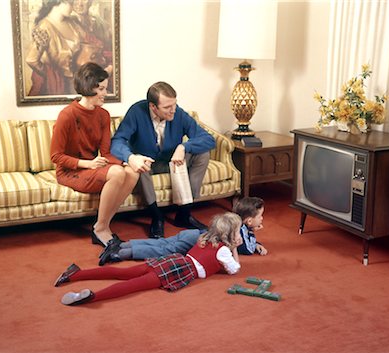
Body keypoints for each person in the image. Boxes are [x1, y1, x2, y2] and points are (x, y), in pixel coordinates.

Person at [54, 212, 242, 306]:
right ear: (231, 234)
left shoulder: (204, 238)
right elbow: (234, 269)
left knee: (124, 273)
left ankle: (76, 274)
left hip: (172, 260)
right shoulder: (224, 251)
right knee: (132, 285)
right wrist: (235, 248)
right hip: (177, 270)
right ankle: (94, 297)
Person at [50, 62, 140, 247]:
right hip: (70, 171)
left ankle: (102, 226)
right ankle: (100, 230)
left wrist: (128, 162)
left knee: (132, 172)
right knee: (116, 173)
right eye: (101, 89)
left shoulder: (103, 115)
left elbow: (106, 152)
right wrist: (88, 164)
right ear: (88, 87)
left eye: (105, 88)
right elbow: (56, 156)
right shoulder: (66, 115)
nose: (105, 94)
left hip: (94, 167)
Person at [110, 81, 216, 239]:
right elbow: (117, 142)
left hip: (172, 161)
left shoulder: (177, 113)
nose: (173, 110)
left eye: (174, 104)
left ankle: (184, 213)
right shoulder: (136, 112)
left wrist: (183, 147)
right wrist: (131, 157)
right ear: (153, 106)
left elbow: (208, 139)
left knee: (203, 153)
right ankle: (156, 216)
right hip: (147, 163)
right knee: (137, 165)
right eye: (167, 107)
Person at [98, 197, 267, 265]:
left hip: (193, 233)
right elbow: (246, 249)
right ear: (249, 221)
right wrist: (253, 237)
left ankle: (119, 245)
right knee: (163, 250)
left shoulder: (233, 221)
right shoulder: (239, 232)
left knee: (163, 242)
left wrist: (256, 240)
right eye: (260, 217)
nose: (261, 220)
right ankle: (120, 254)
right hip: (195, 241)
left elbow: (250, 242)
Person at [26, 0, 85, 96]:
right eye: (71, 3)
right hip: (58, 86)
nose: (74, 6)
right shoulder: (44, 27)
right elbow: (31, 60)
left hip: (77, 82)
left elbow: (87, 42)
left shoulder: (72, 23)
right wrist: (51, 74)